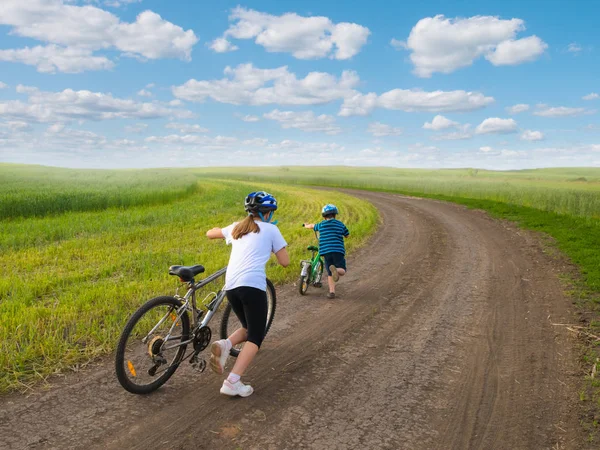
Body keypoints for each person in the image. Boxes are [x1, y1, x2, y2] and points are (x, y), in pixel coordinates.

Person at [206, 191, 289, 397]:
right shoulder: (271, 229)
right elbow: (285, 261)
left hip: (231, 286)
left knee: (247, 327)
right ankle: (233, 381)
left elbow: (210, 233)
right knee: (256, 336)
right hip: (252, 285)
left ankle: (225, 344)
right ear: (268, 213)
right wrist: (269, 246)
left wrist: (222, 231)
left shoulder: (237, 227)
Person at [303, 204, 349, 299]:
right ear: (335, 215)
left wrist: (306, 225)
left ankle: (332, 292)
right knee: (342, 270)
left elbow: (312, 226)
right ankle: (337, 270)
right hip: (338, 250)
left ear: (324, 216)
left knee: (329, 273)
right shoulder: (340, 224)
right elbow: (347, 234)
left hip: (325, 251)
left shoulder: (321, 225)